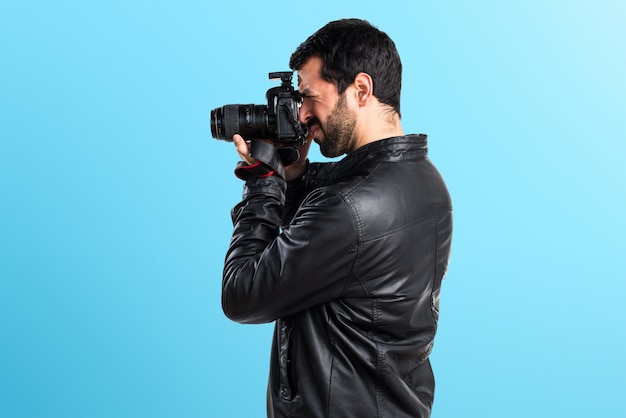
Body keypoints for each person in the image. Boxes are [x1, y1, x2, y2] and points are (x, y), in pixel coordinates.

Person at [221, 18, 453, 418]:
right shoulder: (425, 181)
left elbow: (242, 294)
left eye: (310, 97)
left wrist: (263, 183)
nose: (303, 114)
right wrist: (292, 179)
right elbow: (330, 260)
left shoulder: (350, 207)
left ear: (360, 89)